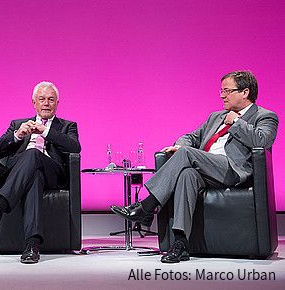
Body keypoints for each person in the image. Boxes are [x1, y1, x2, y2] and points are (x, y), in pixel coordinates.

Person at [111, 71, 278, 263]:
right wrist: (180, 145)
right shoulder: (215, 116)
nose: (222, 95)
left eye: (227, 91)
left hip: (232, 170)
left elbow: (263, 141)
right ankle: (181, 244)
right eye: (221, 91)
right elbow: (191, 137)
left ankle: (147, 206)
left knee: (187, 154)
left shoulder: (265, 116)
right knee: (186, 175)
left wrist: (237, 123)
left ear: (245, 92)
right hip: (205, 168)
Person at [0, 81, 81, 264]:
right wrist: (17, 135)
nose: (46, 103)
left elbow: (75, 147)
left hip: (53, 173)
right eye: (42, 99)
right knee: (34, 177)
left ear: (58, 103)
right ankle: (32, 245)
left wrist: (46, 131)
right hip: (24, 174)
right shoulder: (18, 124)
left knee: (33, 153)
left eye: (51, 99)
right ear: (34, 103)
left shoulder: (67, 126)